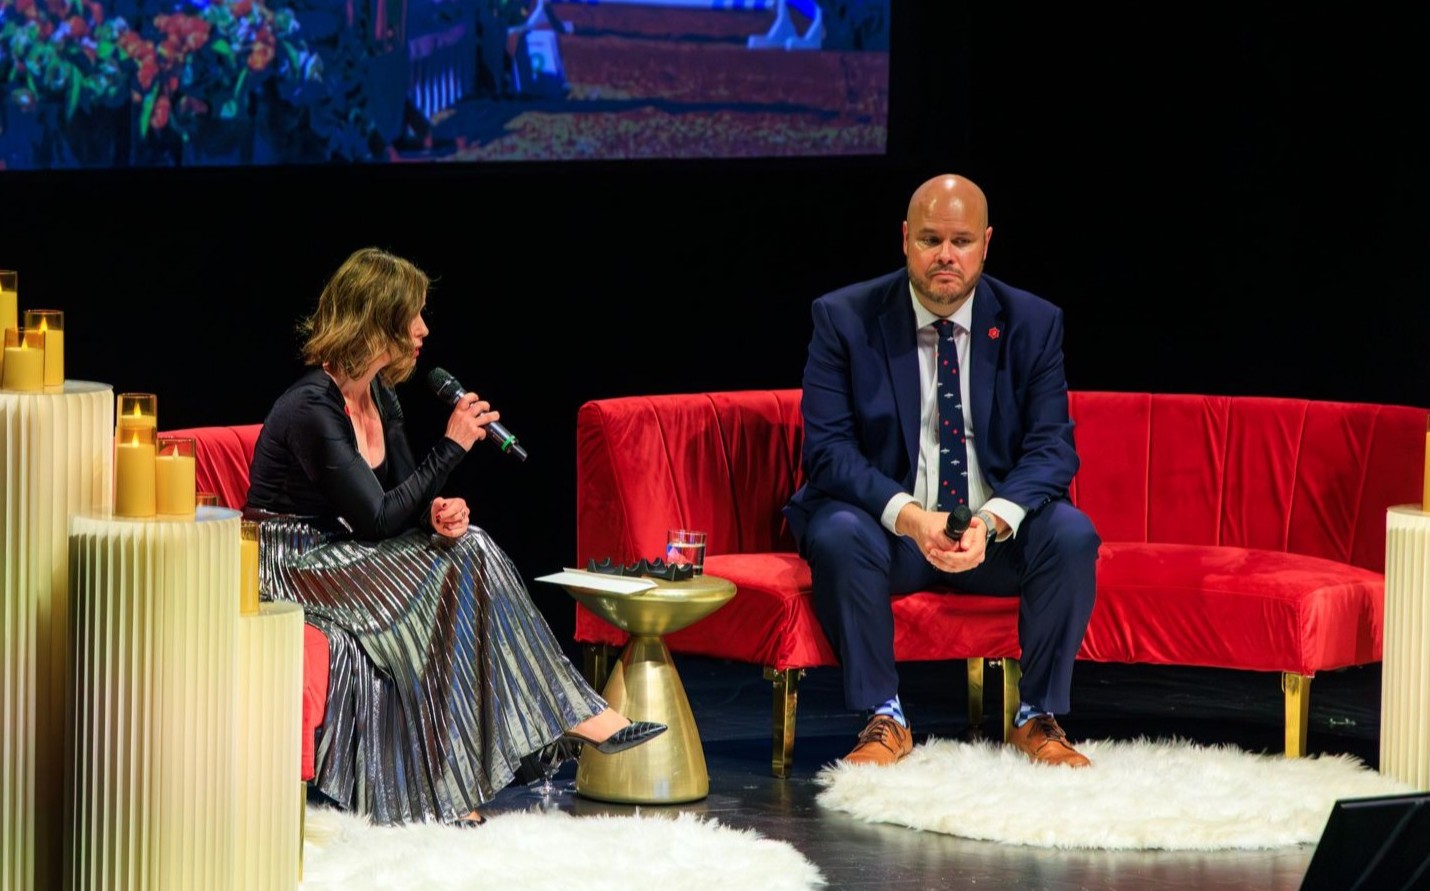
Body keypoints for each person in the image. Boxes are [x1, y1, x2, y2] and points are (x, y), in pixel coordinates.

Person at [244, 246, 665, 826]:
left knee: (466, 546)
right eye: (412, 315)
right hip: (292, 561)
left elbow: (401, 502)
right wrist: (453, 447)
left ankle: (453, 784)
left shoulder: (379, 395)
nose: (423, 329)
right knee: (469, 558)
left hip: (349, 555)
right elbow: (374, 520)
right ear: (376, 321)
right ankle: (569, 711)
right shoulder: (310, 406)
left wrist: (436, 515)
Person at [783, 174, 1100, 769]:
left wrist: (993, 521)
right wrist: (909, 518)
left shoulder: (1032, 323)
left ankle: (1038, 717)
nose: (946, 256)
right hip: (894, 538)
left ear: (986, 243)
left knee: (1071, 532)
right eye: (931, 239)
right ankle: (884, 717)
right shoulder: (844, 318)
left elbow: (1053, 450)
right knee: (836, 531)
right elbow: (828, 451)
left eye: (961, 240)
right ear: (905, 239)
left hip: (992, 540)